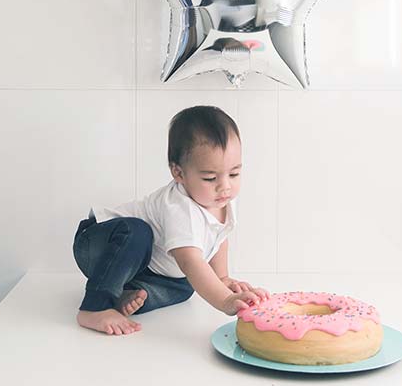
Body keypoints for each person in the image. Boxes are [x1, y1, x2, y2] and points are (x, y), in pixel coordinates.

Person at [73, 105, 270, 336]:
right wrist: (226, 300)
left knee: (186, 286)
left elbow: (218, 237)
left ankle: (124, 295)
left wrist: (222, 278)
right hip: (99, 244)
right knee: (140, 234)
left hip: (141, 268)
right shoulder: (179, 207)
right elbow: (190, 261)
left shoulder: (220, 198)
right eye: (210, 177)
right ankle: (94, 307)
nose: (225, 185)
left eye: (234, 174)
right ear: (178, 173)